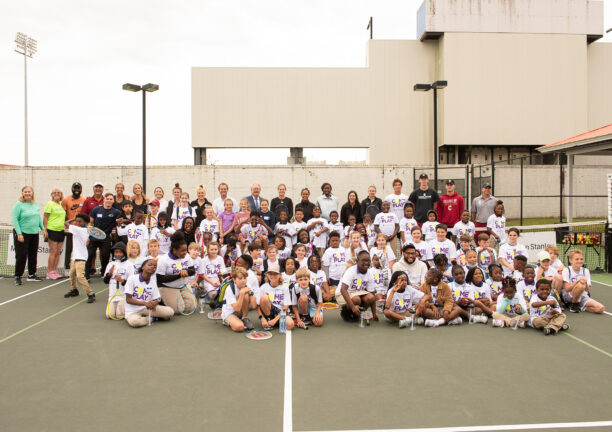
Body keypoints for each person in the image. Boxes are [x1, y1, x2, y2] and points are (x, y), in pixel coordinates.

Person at [124, 258, 174, 327]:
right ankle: (151, 319)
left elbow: (157, 298)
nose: (153, 267)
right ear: (143, 267)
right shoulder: (132, 279)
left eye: (155, 266)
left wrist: (154, 303)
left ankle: (147, 317)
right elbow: (128, 299)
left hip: (147, 308)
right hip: (133, 311)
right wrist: (145, 303)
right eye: (150, 265)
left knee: (170, 312)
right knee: (135, 322)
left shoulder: (152, 282)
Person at [156, 231, 197, 315]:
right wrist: (179, 275)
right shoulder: (163, 260)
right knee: (179, 309)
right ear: (174, 250)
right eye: (182, 251)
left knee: (191, 307)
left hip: (183, 286)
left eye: (186, 250)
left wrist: (186, 272)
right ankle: (161, 301)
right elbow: (159, 279)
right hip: (167, 287)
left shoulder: (186, 256)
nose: (185, 253)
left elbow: (192, 270)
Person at [12, 186, 46, 285]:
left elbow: (38, 217)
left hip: (34, 233)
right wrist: (19, 233)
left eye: (29, 192)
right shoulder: (18, 204)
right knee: (21, 255)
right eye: (25, 192)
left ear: (32, 193)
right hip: (22, 233)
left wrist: (42, 229)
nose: (27, 193)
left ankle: (31, 275)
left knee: (33, 254)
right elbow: (15, 219)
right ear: (22, 193)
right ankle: (17, 276)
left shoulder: (34, 204)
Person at [86, 193, 122, 280]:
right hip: (94, 236)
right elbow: (90, 223)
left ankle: (103, 272)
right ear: (104, 200)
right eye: (107, 199)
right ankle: (86, 274)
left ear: (113, 201)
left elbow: (120, 222)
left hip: (106, 237)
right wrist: (88, 236)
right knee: (90, 255)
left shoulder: (116, 212)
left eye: (111, 199)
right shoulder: (96, 209)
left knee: (105, 256)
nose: (109, 201)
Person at [62, 213, 95, 302]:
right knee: (72, 274)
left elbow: (66, 223)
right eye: (76, 221)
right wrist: (76, 219)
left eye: (80, 222)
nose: (77, 223)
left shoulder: (80, 230)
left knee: (80, 276)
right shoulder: (79, 228)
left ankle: (90, 293)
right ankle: (74, 290)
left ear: (85, 223)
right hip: (75, 256)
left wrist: (73, 218)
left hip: (81, 257)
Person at [337, 251, 377, 322]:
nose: (366, 263)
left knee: (370, 297)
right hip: (343, 292)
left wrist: (374, 314)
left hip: (358, 292)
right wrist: (352, 307)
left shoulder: (370, 273)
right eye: (363, 260)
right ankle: (346, 311)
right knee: (356, 299)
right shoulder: (351, 271)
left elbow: (372, 294)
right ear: (357, 261)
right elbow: (343, 289)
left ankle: (359, 312)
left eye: (368, 260)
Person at [562, 249, 605, 314]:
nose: (579, 261)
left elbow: (587, 290)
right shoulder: (567, 270)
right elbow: (567, 289)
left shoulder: (586, 271)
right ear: (571, 260)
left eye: (581, 259)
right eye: (577, 259)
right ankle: (573, 304)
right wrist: (577, 281)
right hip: (569, 295)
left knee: (600, 308)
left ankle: (580, 306)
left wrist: (585, 283)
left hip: (582, 296)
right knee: (580, 285)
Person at [257, 262, 295, 331]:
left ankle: (273, 322)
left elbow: (286, 307)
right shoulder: (263, 287)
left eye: (275, 274)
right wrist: (262, 319)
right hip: (268, 311)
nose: (273, 276)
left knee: (290, 325)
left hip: (280, 312)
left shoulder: (285, 287)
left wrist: (275, 320)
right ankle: (268, 319)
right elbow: (258, 306)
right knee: (264, 297)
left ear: (280, 275)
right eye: (270, 274)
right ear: (267, 275)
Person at [103, 241, 134, 320]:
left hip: (122, 296)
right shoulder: (110, 264)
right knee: (109, 315)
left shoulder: (129, 265)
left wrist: (122, 280)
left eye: (120, 252)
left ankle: (127, 308)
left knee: (120, 315)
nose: (118, 254)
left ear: (124, 253)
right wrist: (109, 274)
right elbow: (105, 281)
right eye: (116, 252)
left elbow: (132, 283)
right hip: (112, 296)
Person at [61, 182, 85, 276]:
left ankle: (80, 268)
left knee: (80, 249)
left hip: (80, 230)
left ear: (81, 189)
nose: (76, 190)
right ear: (72, 189)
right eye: (75, 188)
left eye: (78, 188)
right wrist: (66, 226)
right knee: (69, 249)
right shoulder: (66, 200)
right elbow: (62, 214)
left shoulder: (83, 199)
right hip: (70, 229)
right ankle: (67, 268)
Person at [43, 188, 66, 280]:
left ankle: (55, 271)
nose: (56, 194)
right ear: (52, 194)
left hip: (61, 230)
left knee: (58, 252)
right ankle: (50, 272)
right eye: (55, 193)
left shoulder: (60, 205)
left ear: (61, 195)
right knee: (53, 251)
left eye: (58, 193)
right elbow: (45, 217)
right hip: (52, 230)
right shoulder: (49, 204)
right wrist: (44, 229)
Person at [221, 267, 252, 332]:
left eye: (245, 278)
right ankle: (226, 321)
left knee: (246, 295)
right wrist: (242, 294)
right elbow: (237, 309)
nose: (243, 280)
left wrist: (251, 294)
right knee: (240, 327)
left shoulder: (246, 285)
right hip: (229, 313)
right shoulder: (229, 289)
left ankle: (244, 318)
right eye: (240, 278)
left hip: (239, 312)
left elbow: (254, 305)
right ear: (234, 279)